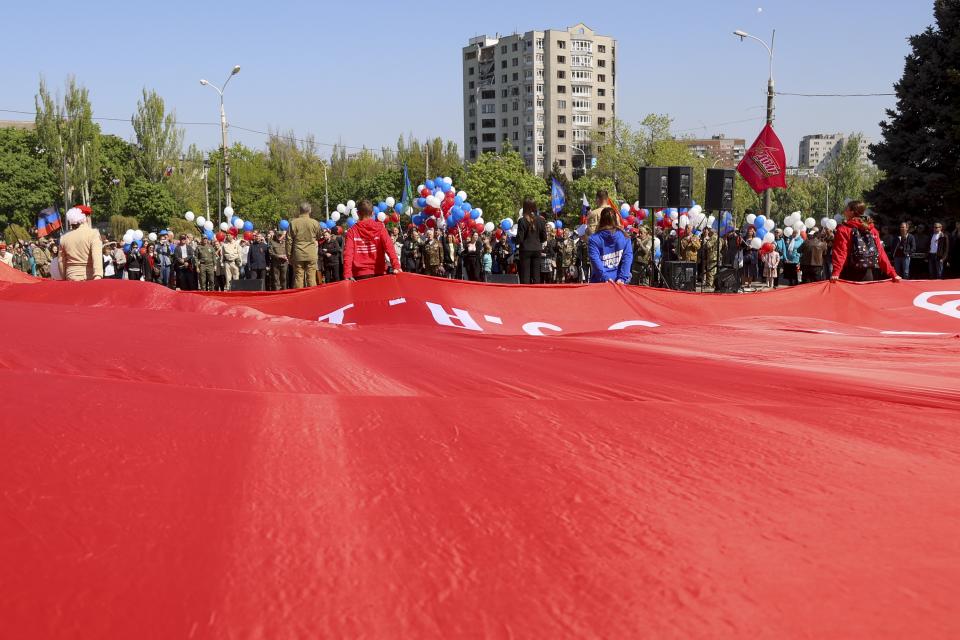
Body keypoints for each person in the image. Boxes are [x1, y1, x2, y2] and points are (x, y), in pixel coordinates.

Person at [830, 200, 900, 282]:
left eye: (846, 209)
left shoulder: (843, 229)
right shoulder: (872, 230)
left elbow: (841, 253)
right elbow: (880, 253)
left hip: (848, 274)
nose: (844, 210)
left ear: (852, 212)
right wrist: (893, 274)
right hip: (867, 273)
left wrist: (836, 272)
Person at [343, 199, 402, 281]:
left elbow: (348, 254)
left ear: (357, 213)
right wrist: (396, 266)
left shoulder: (351, 231)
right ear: (373, 213)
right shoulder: (380, 228)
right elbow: (390, 248)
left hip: (359, 275)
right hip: (379, 273)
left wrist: (347, 273)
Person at [588, 208, 632, 284]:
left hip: (600, 282)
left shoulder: (594, 239)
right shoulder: (625, 237)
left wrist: (605, 278)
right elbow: (628, 258)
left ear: (601, 220)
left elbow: (595, 260)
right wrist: (622, 278)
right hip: (619, 282)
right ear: (615, 220)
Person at [59, 206, 103, 281]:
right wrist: (98, 275)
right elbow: (97, 257)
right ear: (86, 218)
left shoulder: (64, 237)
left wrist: (64, 278)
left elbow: (61, 262)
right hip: (89, 278)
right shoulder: (94, 234)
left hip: (70, 277)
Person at [286, 202, 323, 288]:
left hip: (298, 253)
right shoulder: (315, 223)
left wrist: (289, 255)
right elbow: (319, 236)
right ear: (310, 210)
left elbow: (289, 241)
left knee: (298, 277)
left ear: (300, 211)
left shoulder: (293, 223)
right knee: (311, 277)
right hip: (311, 253)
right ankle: (312, 297)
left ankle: (300, 298)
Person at [516, 198, 547, 284]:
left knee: (525, 274)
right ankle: (536, 294)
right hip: (537, 249)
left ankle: (525, 294)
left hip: (525, 250)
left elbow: (520, 239)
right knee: (537, 274)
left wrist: (515, 240)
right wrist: (537, 241)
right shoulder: (541, 220)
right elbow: (544, 238)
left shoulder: (522, 221)